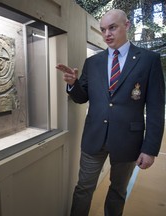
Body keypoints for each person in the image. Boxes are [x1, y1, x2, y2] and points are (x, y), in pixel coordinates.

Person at [56, 9, 165, 216]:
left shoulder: (148, 60)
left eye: (112, 27)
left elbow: (156, 108)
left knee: (117, 192)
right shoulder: (93, 62)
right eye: (103, 29)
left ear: (127, 25)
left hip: (128, 141)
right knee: (83, 189)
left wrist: (150, 149)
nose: (107, 34)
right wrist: (73, 84)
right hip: (94, 137)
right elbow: (82, 97)